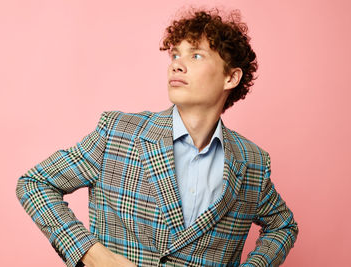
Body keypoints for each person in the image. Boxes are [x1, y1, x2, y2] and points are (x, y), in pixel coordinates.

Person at [16, 7, 298, 267]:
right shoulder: (118, 133)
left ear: (231, 78)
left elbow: (283, 225)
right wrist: (93, 255)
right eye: (175, 55)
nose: (176, 65)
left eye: (196, 55)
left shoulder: (252, 162)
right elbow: (35, 183)